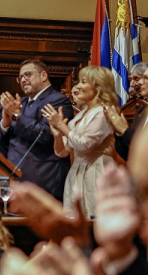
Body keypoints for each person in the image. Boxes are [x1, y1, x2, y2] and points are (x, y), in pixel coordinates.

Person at [0, 59, 74, 201]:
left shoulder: (57, 100)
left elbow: (45, 136)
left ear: (43, 76)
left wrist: (17, 115)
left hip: (42, 179)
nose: (23, 80)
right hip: (15, 177)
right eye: (20, 77)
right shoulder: (21, 103)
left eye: (28, 75)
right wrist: (5, 122)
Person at [44, 65, 118, 217]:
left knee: (94, 221)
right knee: (74, 222)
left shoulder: (103, 112)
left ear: (98, 86)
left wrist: (61, 125)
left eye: (83, 82)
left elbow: (83, 144)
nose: (77, 87)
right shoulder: (81, 114)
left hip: (96, 172)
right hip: (77, 173)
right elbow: (62, 152)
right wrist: (58, 134)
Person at [105, 63, 148, 161]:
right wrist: (119, 132)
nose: (139, 83)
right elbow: (127, 154)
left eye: (146, 78)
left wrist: (124, 129)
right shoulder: (141, 112)